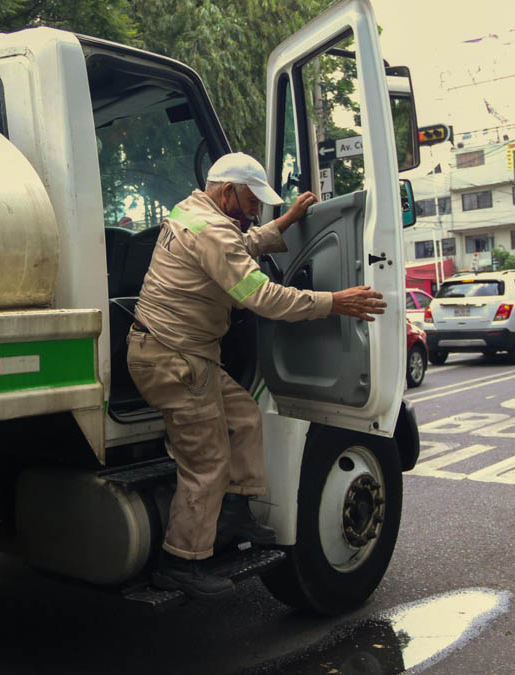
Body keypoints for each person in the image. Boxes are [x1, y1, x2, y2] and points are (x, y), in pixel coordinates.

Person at [127, 152, 386, 599]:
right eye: (251, 202)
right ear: (228, 191)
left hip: (180, 354)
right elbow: (264, 298)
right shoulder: (213, 230)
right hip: (176, 359)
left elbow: (239, 247)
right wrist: (334, 302)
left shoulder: (192, 214)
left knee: (246, 417)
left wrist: (286, 222)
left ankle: (233, 512)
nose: (254, 211)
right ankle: (180, 561)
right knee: (207, 462)